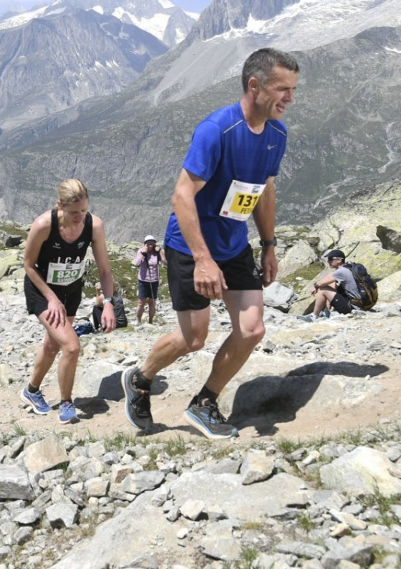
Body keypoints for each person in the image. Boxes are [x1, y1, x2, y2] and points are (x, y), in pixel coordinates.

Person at [122, 48, 298, 439]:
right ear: (254, 85)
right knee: (193, 338)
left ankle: (205, 402)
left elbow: (264, 192)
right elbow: (182, 197)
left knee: (252, 330)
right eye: (282, 89)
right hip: (190, 246)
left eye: (293, 89)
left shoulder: (277, 134)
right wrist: (202, 260)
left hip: (235, 245)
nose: (290, 98)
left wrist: (268, 245)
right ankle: (140, 377)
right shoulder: (216, 130)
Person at [20, 179, 118, 424]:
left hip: (71, 289)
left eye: (84, 211)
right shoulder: (44, 225)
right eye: (74, 212)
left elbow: (105, 271)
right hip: (42, 290)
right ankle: (66, 402)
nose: (80, 217)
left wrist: (108, 303)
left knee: (54, 345)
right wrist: (51, 298)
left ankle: (31, 391)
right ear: (60, 206)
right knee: (71, 346)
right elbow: (28, 265)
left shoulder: (94, 226)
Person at [306, 249, 361, 320]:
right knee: (331, 285)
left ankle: (314, 316)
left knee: (323, 289)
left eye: (330, 259)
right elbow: (332, 285)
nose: (328, 261)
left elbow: (320, 283)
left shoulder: (341, 271)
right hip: (360, 305)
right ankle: (326, 311)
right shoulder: (348, 268)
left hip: (353, 308)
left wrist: (315, 286)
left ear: (339, 260)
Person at [134, 236, 166, 324]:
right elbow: (136, 263)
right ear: (145, 244)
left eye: (152, 242)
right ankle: (138, 320)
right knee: (141, 302)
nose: (150, 245)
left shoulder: (156, 253)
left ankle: (150, 321)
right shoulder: (141, 251)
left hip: (154, 280)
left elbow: (164, 262)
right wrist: (143, 253)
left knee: (152, 302)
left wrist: (160, 252)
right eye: (148, 243)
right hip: (143, 280)